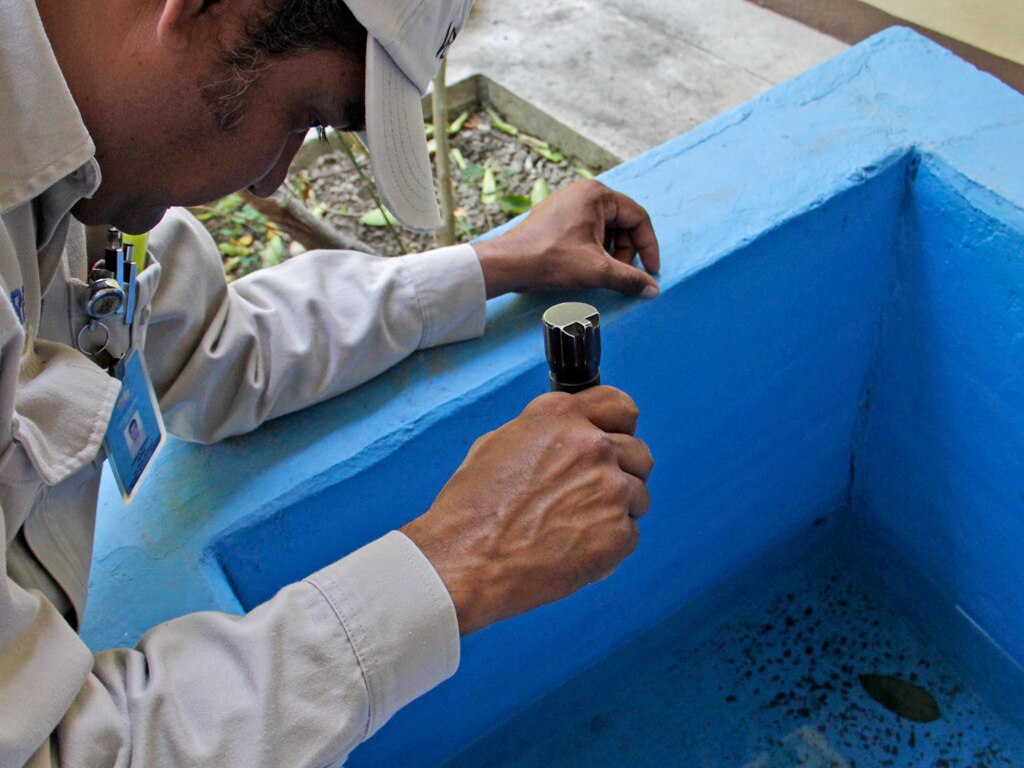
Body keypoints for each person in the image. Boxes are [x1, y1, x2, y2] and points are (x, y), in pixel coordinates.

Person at [0, 0, 659, 765]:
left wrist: (497, 263)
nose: (272, 176)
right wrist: (465, 557)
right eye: (302, 115)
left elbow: (213, 347)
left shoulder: (81, 159)